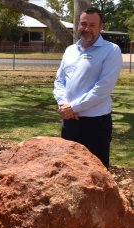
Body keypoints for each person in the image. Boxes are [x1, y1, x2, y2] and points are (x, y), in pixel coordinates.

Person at [53, 7, 123, 170]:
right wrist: (64, 104)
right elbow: (59, 81)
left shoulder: (111, 50)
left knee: (96, 172)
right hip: (70, 121)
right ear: (78, 25)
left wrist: (73, 107)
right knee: (68, 169)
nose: (87, 28)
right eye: (84, 24)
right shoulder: (70, 50)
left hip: (95, 124)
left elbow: (102, 89)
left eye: (92, 25)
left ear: (101, 27)